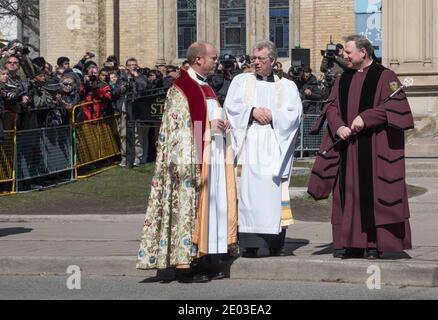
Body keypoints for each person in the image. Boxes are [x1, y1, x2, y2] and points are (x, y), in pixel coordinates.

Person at [136, 41, 238, 283]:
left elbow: (210, 117)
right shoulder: (181, 89)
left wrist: (222, 125)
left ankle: (204, 256)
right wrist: (208, 128)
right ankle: (185, 267)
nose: (217, 61)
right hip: (189, 162)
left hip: (211, 158)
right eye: (213, 57)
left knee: (209, 209)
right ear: (199, 59)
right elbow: (178, 130)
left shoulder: (207, 87)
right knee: (187, 209)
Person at [307, 35, 414, 260]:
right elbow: (331, 107)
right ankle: (350, 244)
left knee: (373, 195)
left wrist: (367, 118)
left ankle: (374, 244)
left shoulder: (386, 77)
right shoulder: (341, 79)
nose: (343, 55)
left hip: (374, 148)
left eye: (347, 51)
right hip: (348, 148)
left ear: (363, 52)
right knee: (348, 194)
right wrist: (338, 127)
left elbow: (396, 106)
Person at [224, 40, 302, 258]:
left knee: (273, 194)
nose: (256, 63)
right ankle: (249, 244)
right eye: (253, 59)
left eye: (261, 59)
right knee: (248, 194)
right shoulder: (240, 81)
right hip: (248, 146)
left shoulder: (287, 86)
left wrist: (273, 115)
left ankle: (275, 243)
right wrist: (251, 111)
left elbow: (294, 114)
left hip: (274, 147)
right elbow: (231, 107)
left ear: (273, 61)